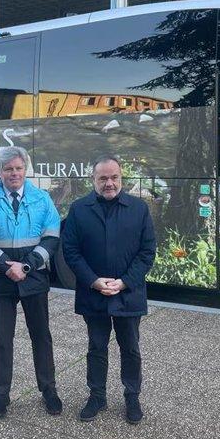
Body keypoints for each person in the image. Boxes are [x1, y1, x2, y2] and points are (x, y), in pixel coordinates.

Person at [0, 146, 63, 419]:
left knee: (41, 336)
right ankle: (1, 394)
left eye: (19, 168)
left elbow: (52, 238)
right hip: (1, 280)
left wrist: (26, 265)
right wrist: (4, 265)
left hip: (33, 277)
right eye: (8, 169)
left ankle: (49, 390)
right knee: (2, 340)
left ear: (26, 170)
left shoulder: (42, 199)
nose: (14, 173)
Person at [61, 155, 156, 424]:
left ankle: (132, 396)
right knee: (96, 347)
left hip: (128, 293)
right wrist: (93, 280)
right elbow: (71, 250)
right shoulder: (79, 209)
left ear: (121, 178)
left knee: (131, 348)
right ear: (94, 180)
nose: (109, 183)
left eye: (114, 177)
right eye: (103, 178)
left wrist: (125, 281)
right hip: (94, 292)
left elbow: (147, 252)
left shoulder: (139, 209)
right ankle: (97, 396)